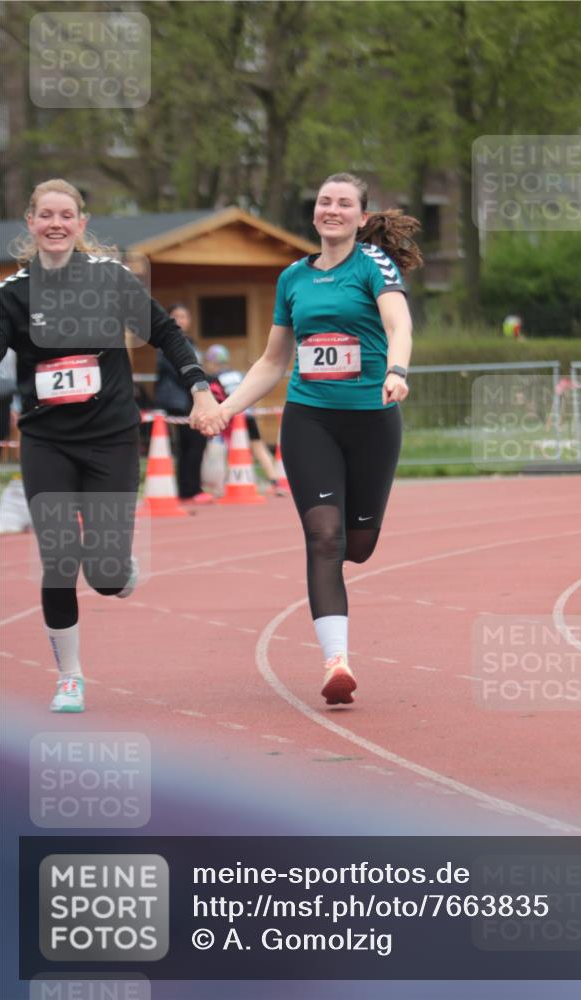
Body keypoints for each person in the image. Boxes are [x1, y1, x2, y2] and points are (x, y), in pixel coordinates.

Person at [0, 179, 223, 712]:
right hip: (47, 440)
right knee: (56, 557)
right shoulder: (14, 293)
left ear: (81, 222)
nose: (56, 224)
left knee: (103, 575)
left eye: (66, 215)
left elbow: (168, 334)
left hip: (111, 441)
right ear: (30, 224)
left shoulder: (110, 280)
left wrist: (199, 390)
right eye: (45, 215)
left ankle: (114, 570)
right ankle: (70, 677)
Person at [200, 172, 422, 706]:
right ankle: (336, 662)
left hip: (373, 417)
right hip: (310, 419)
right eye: (325, 201)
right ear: (315, 212)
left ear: (361, 217)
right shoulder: (292, 278)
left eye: (344, 204)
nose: (332, 210)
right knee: (324, 538)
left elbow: (400, 325)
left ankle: (345, 560)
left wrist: (397, 371)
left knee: (358, 547)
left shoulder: (374, 266)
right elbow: (274, 360)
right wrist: (226, 409)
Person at [204, 343, 287, 496]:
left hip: (232, 416)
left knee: (231, 449)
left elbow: (217, 398)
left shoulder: (213, 379)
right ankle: (275, 481)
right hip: (247, 414)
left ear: (212, 362)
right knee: (259, 447)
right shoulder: (237, 374)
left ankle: (226, 484)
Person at [155, 304, 211, 502]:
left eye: (184, 316)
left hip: (191, 397)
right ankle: (190, 489)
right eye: (176, 316)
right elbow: (177, 371)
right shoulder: (167, 343)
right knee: (192, 443)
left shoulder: (190, 342)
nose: (180, 320)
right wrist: (198, 387)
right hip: (179, 401)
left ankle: (189, 488)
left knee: (192, 444)